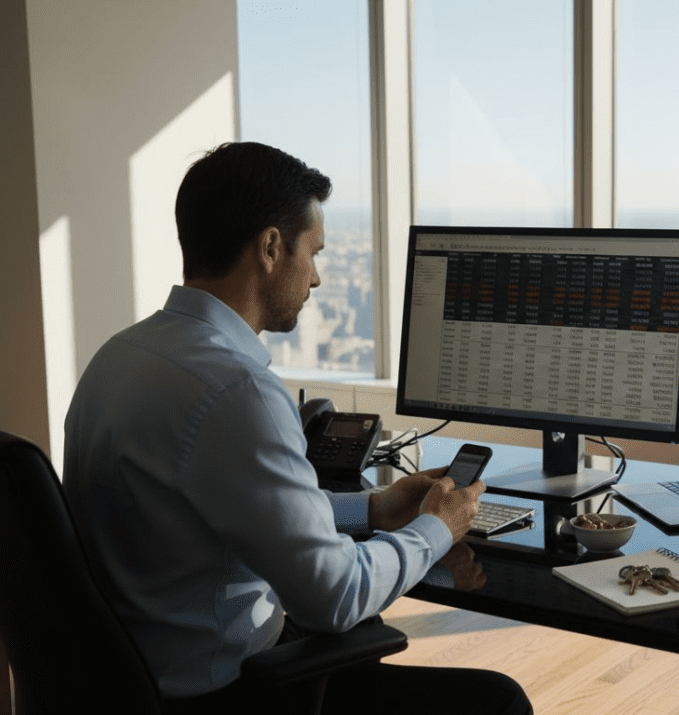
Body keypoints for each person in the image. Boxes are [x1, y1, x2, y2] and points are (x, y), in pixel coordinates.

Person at [63, 141, 532, 714]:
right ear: (270, 247)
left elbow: (221, 505)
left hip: (126, 676)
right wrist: (439, 528)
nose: (315, 278)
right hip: (227, 690)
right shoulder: (238, 392)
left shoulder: (119, 357)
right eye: (313, 252)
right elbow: (334, 597)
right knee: (499, 702)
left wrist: (374, 509)